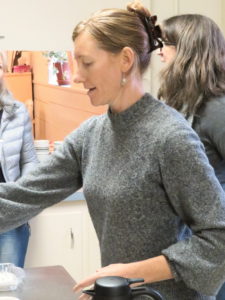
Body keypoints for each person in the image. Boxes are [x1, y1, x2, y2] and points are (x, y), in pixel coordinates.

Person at [0, 2, 224, 299]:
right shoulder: (90, 136)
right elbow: (22, 195)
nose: (77, 76)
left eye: (87, 63)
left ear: (126, 60)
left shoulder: (170, 136)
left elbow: (218, 237)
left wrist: (128, 273)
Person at [157, 14, 225, 300]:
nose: (160, 51)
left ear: (186, 50)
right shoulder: (191, 106)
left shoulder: (216, 110)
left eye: (167, 44)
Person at [0, 51, 38, 267]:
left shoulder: (18, 112)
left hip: (9, 217)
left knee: (8, 291)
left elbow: (30, 161)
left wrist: (21, 199)